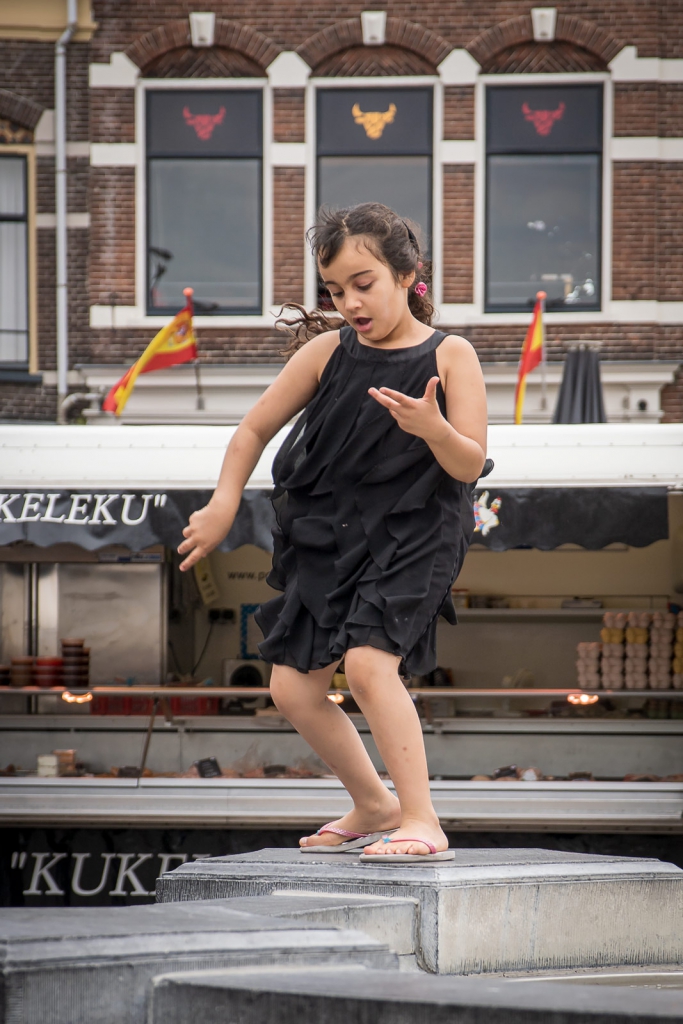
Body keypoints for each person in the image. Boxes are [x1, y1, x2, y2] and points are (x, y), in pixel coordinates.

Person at [179, 202, 488, 861]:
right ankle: (373, 804)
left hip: (414, 530)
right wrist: (222, 504)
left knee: (369, 666)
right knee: (291, 686)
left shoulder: (452, 354)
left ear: (410, 275)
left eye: (363, 283)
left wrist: (432, 428)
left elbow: (468, 463)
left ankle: (421, 820)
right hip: (329, 531)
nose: (349, 301)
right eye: (335, 290)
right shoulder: (326, 353)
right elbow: (251, 430)